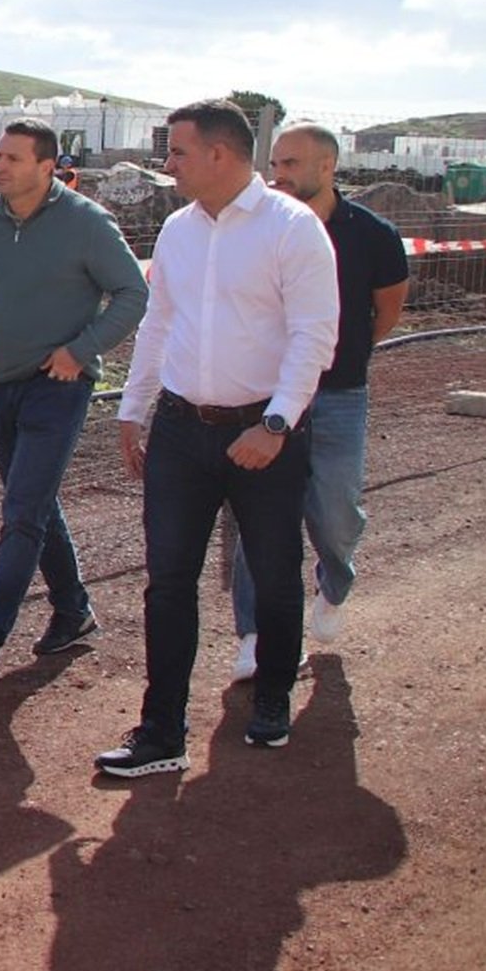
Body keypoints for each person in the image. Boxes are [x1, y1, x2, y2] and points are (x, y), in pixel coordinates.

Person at [102, 100, 338, 778]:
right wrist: (134, 406)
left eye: (177, 151)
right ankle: (160, 731)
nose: (167, 164)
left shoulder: (292, 229)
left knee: (271, 572)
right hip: (181, 429)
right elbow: (158, 322)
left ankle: (271, 699)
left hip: (264, 432)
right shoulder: (178, 230)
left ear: (220, 154)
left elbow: (313, 335)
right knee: (168, 580)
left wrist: (276, 424)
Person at [0, 118, 147, 683]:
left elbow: (134, 293)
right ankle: (73, 610)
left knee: (21, 513)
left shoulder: (87, 224)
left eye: (13, 158)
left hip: (58, 387)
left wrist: (80, 351)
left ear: (47, 166)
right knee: (31, 503)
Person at [228, 124, 409, 680]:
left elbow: (387, 313)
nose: (279, 174)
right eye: (275, 163)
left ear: (328, 166)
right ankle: (255, 637)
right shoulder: (257, 229)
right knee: (258, 521)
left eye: (292, 164)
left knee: (334, 513)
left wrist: (335, 356)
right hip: (262, 396)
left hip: (338, 395)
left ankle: (335, 580)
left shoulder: (373, 235)